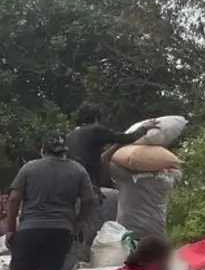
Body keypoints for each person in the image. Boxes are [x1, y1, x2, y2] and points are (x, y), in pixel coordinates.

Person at [5, 132, 97, 270]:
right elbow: (89, 200)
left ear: (42, 150)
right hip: (61, 230)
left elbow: (13, 199)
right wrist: (77, 222)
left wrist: (11, 229)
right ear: (64, 151)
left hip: (30, 229)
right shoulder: (78, 170)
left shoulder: (29, 168)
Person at [65, 104, 159, 249]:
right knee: (91, 223)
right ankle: (83, 255)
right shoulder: (95, 130)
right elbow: (127, 138)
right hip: (88, 186)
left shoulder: (70, 136)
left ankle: (74, 254)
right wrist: (145, 128)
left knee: (76, 222)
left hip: (70, 187)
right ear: (96, 118)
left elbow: (98, 157)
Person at [111, 162, 175, 240]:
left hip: (128, 230)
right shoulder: (168, 177)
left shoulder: (126, 173)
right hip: (157, 229)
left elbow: (106, 164)